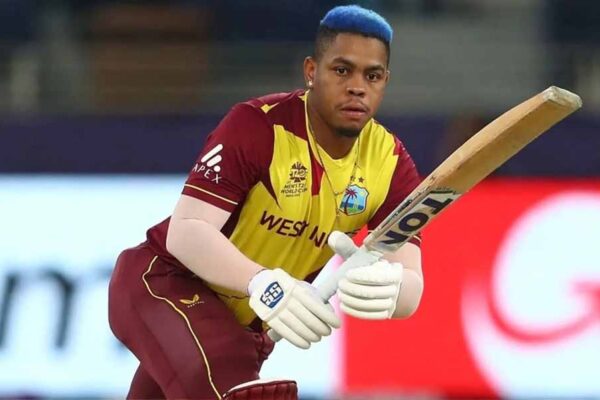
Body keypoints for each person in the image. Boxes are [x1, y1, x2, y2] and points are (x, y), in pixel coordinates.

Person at [108, 4, 424, 400]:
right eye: (342, 70)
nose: (357, 87)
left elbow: (412, 283)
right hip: (163, 285)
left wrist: (393, 289)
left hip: (243, 331)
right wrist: (263, 283)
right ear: (311, 71)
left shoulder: (390, 162)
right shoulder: (258, 125)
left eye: (372, 76)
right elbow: (186, 233)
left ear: (385, 82)